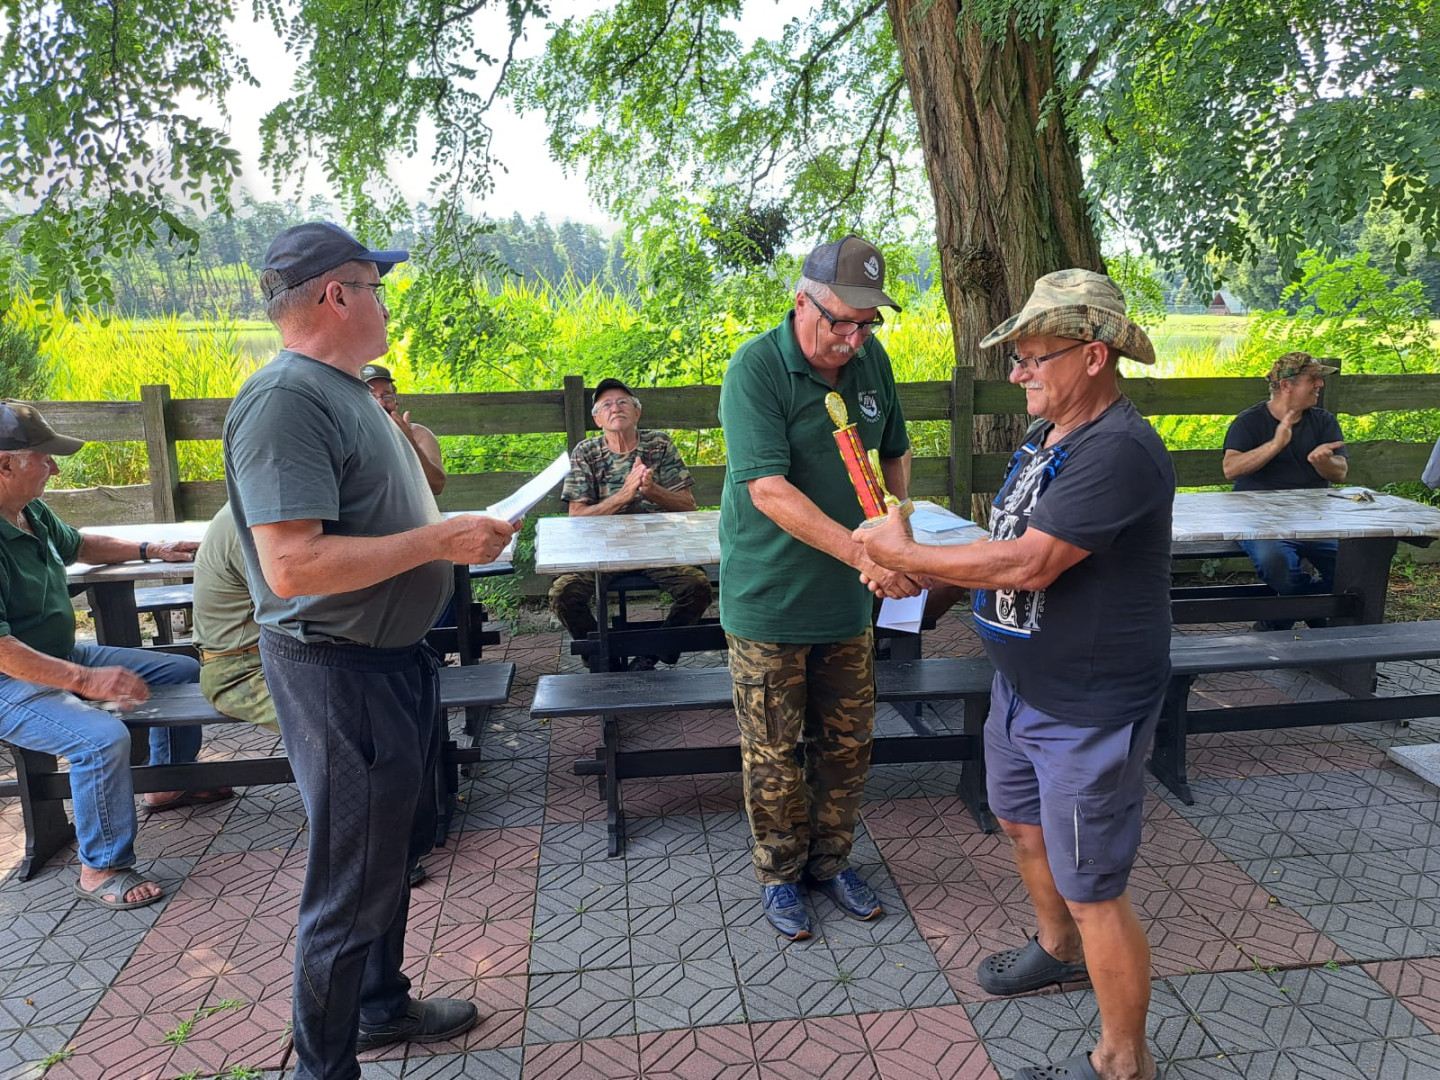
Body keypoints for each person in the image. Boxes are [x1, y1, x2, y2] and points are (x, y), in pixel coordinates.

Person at [855, 269, 1172, 1080]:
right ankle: (1057, 949)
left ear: (1094, 356)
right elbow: (999, 544)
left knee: (1093, 886)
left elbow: (1031, 564)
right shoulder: (1046, 438)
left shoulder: (1118, 450)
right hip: (1022, 689)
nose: (1018, 371)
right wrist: (924, 582)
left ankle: (1122, 1062)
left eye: (1034, 356)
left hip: (1087, 705)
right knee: (1022, 826)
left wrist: (908, 553)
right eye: (1018, 357)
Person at [223, 221, 515, 1080]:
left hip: (390, 662)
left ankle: (382, 1005)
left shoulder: (347, 390)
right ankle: (324, 1069)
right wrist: (438, 543)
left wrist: (439, 530)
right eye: (375, 286)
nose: (386, 303)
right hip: (338, 671)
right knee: (349, 883)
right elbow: (292, 566)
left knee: (395, 848)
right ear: (334, 295)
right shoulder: (285, 400)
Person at [718, 235, 920, 942]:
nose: (852, 338)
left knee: (847, 743)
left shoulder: (870, 360)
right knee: (774, 752)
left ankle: (831, 863)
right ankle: (780, 875)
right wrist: (869, 556)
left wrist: (897, 528)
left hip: (847, 601)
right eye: (841, 321)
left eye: (867, 323)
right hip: (770, 598)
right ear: (801, 301)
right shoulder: (756, 368)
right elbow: (768, 491)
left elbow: (894, 450)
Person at [0, 400, 221, 910]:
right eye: (44, 458)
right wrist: (83, 680)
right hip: (10, 682)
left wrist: (149, 551)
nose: (54, 469)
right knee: (101, 740)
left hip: (58, 654)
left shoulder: (28, 511)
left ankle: (169, 783)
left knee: (181, 669)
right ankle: (101, 866)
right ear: (5, 463)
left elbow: (79, 545)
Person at [551, 377, 713, 670]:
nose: (615, 408)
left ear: (637, 412)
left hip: (660, 548)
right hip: (603, 551)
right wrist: (623, 496)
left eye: (623, 402)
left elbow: (688, 506)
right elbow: (577, 517)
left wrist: (653, 491)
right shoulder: (586, 452)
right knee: (563, 593)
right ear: (597, 419)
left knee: (697, 586)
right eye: (606, 405)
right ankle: (605, 659)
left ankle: (653, 654)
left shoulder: (659, 444)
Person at [1222, 351, 1347, 629]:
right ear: (1286, 385)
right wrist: (1275, 444)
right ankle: (1313, 613)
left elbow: (1340, 472)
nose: (1320, 384)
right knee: (1276, 564)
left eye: (1320, 379)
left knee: (1352, 567)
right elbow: (1231, 468)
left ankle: (1276, 620)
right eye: (1313, 379)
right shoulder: (1250, 421)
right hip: (1260, 520)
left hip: (1316, 520)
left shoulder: (1324, 421)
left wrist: (1323, 463)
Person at [361, 362, 447, 496]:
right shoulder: (344, 436)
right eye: (370, 396)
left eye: (387, 396)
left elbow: (437, 486)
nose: (380, 403)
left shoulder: (418, 434)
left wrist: (409, 444)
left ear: (396, 401)